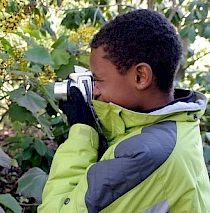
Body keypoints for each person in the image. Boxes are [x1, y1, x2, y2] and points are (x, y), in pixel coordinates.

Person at [38, 9, 210, 213]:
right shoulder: (179, 124)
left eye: (98, 80)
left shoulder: (145, 155)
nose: (94, 90)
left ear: (140, 77)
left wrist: (82, 130)